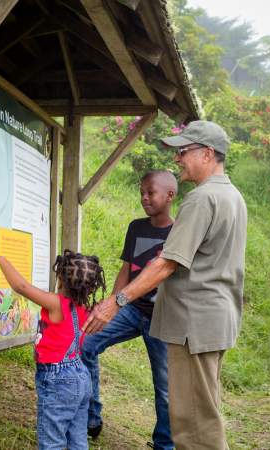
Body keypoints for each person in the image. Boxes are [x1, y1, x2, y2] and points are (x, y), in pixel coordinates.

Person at [84, 120, 247, 450]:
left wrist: (118, 300)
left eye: (184, 151)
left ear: (207, 154)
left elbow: (167, 262)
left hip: (193, 323)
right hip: (216, 320)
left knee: (194, 426)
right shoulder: (233, 196)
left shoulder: (202, 199)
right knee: (203, 413)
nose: (178, 159)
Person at [82, 170, 178, 450]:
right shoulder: (136, 227)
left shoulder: (179, 232)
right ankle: (91, 418)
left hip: (163, 319)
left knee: (164, 387)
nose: (144, 197)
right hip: (131, 309)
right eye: (142, 193)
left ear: (170, 195)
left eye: (151, 192)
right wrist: (111, 303)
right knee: (85, 342)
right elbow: (127, 268)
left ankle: (164, 444)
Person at [0, 250, 106, 450]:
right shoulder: (84, 308)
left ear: (61, 280)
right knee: (78, 438)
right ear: (90, 288)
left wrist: (2, 260)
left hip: (60, 380)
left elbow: (21, 287)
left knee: (52, 441)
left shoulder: (57, 304)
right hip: (81, 376)